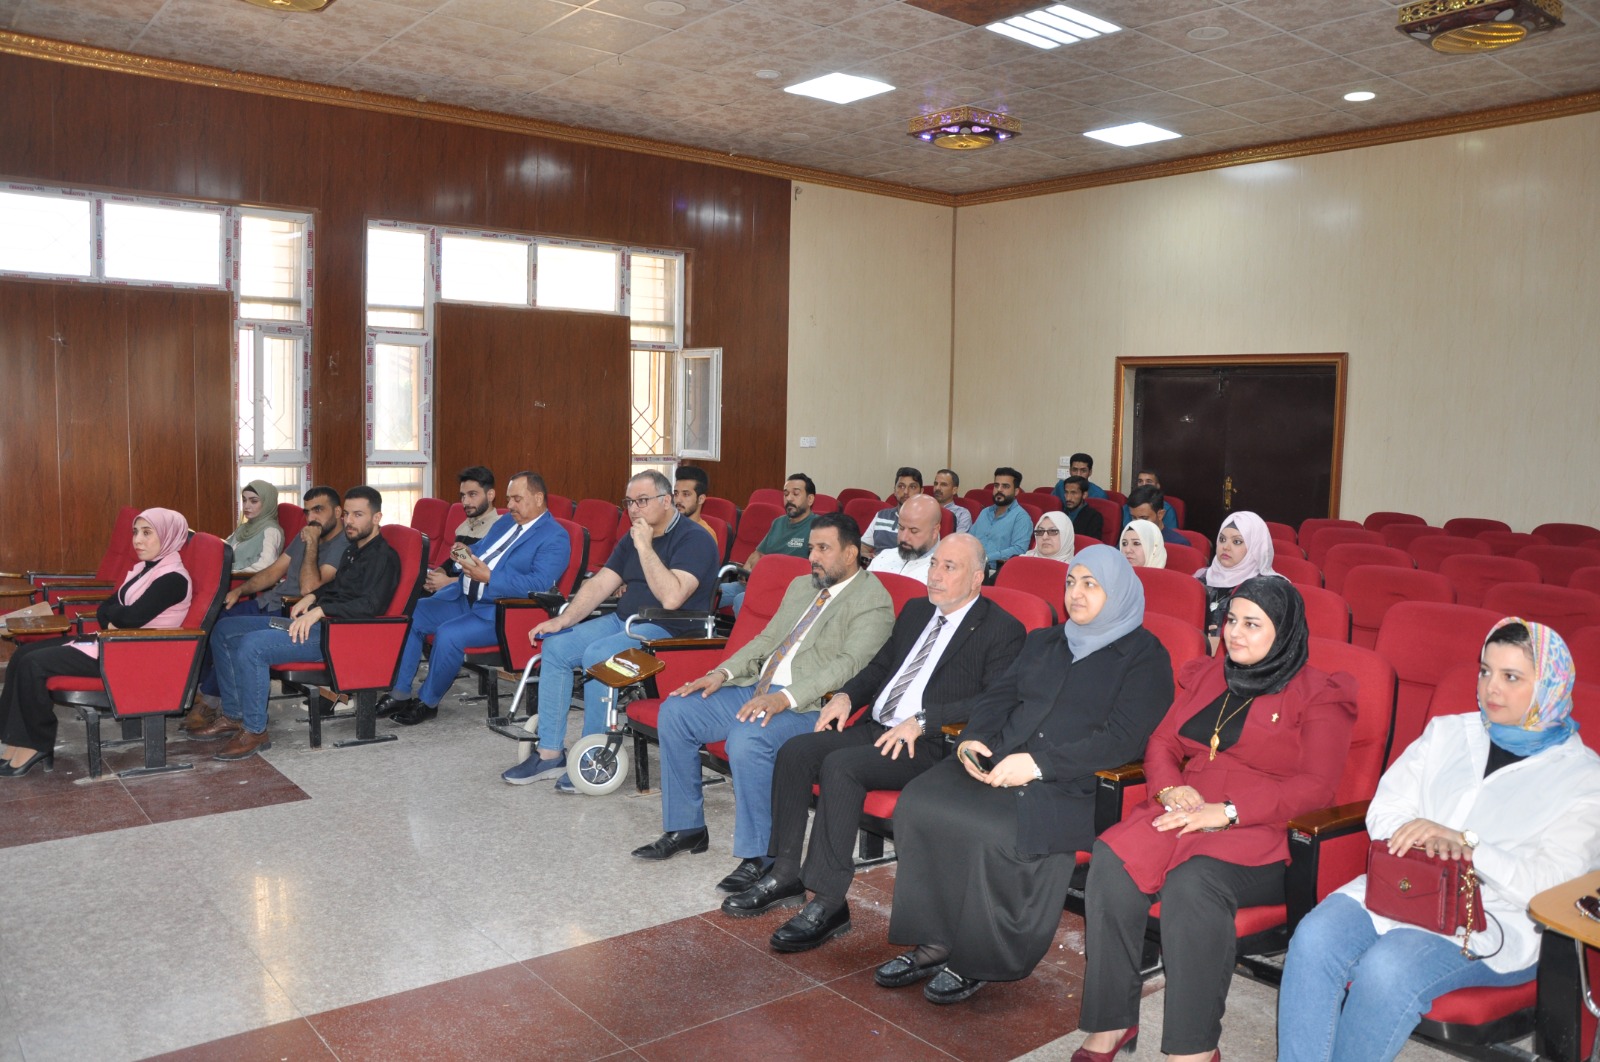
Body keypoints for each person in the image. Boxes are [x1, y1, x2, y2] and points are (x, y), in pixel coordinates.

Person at [1278, 618, 1600, 1062]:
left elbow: (1552, 885)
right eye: (1485, 671)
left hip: (1492, 920)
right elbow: (1385, 810)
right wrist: (1427, 842)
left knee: (1386, 970)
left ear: (1550, 688)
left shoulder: (1583, 777)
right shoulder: (1449, 732)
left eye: (1511, 677)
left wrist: (1468, 848)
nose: (1491, 688)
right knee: (1313, 939)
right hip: (1403, 888)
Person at [875, 545, 1174, 1005]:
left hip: (1074, 786)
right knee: (921, 801)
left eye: (1090, 585)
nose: (1076, 594)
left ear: (1117, 592)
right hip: (1003, 762)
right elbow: (998, 697)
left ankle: (979, 958)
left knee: (991, 829)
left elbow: (1123, 741)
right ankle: (934, 941)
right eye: (1071, 582)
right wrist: (974, 739)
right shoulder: (1046, 641)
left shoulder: (1145, 657)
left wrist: (1038, 766)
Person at [1076, 577, 1356, 1062]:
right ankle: (1111, 1021)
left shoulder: (1319, 694)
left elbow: (1316, 788)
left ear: (1285, 632)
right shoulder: (1211, 675)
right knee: (1112, 859)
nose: (1235, 633)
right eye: (1231, 621)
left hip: (1263, 829)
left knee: (1194, 884)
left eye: (1253, 624)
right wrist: (1169, 788)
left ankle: (1195, 1048)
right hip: (1186, 805)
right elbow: (1162, 742)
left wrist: (1226, 812)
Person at [724, 534, 1025, 954]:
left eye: (949, 567)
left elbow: (994, 700)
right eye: (934, 564)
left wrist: (924, 721)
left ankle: (829, 902)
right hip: (879, 726)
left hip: (930, 745)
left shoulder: (1002, 629)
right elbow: (882, 665)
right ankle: (786, 873)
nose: (935, 575)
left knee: (841, 767)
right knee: (796, 751)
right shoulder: (917, 611)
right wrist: (848, 696)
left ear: (977, 578)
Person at [632, 513, 894, 894]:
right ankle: (686, 827)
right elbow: (767, 639)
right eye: (811, 548)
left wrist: (783, 698)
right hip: (759, 687)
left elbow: (848, 665)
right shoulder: (803, 586)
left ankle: (762, 855)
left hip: (810, 705)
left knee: (748, 737)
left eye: (823, 549)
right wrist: (721, 674)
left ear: (852, 553)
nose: (812, 557)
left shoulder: (873, 600)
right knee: (678, 711)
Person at [512, 470, 720, 793]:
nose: (633, 509)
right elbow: (600, 584)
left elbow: (672, 598)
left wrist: (646, 547)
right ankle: (550, 752)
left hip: (670, 632)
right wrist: (563, 620)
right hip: (626, 621)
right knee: (555, 646)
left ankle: (594, 755)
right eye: (629, 502)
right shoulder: (632, 537)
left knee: (599, 655)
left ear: (667, 501)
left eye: (642, 501)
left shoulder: (696, 540)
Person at [193, 486, 401, 761]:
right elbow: (336, 587)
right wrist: (314, 597)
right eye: (348, 515)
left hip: (339, 636)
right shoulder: (354, 550)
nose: (349, 521)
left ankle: (255, 731)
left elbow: (372, 606)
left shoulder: (384, 556)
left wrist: (321, 609)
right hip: (317, 624)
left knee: (253, 646)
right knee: (224, 630)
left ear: (377, 518)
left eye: (358, 515)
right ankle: (234, 715)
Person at [0, 509, 194, 777]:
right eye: (135, 532)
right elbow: (106, 611)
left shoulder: (173, 579)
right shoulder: (145, 569)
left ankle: (35, 744)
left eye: (147, 533)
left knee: (33, 663)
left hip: (135, 656)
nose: (137, 540)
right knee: (23, 655)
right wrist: (116, 618)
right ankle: (14, 738)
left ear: (169, 536)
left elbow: (127, 618)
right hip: (115, 644)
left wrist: (117, 618)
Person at [379, 472, 571, 726]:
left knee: (448, 635)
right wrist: (464, 554)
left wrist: (490, 577)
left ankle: (427, 702)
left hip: (499, 613)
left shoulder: (555, 536)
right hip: (463, 596)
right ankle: (400, 692)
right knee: (412, 614)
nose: (510, 505)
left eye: (517, 499)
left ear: (538, 498)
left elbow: (538, 584)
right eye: (508, 499)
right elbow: (481, 551)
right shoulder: (505, 521)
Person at [184, 486, 347, 733]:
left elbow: (309, 588)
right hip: (270, 601)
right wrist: (240, 590)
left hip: (292, 611)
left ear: (337, 512)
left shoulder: (341, 544)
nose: (311, 517)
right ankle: (210, 696)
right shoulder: (305, 534)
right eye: (307, 512)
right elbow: (274, 571)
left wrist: (312, 543)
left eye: (318, 510)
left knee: (239, 639)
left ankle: (210, 699)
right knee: (217, 623)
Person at [721, 474, 818, 614]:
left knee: (741, 600)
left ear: (810, 499)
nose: (789, 498)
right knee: (713, 591)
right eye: (786, 494)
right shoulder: (778, 522)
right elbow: (759, 553)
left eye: (796, 494)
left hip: (787, 590)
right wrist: (746, 572)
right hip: (763, 582)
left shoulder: (819, 527)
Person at [1196, 511, 1276, 650]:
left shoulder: (1266, 590)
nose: (1225, 547)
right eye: (1222, 539)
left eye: (1236, 542)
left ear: (1254, 547)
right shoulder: (1200, 576)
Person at [424, 466, 498, 591]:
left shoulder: (499, 528)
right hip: (451, 588)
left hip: (469, 593)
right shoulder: (464, 526)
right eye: (463, 496)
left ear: (490, 495)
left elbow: (487, 575)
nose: (465, 502)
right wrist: (435, 576)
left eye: (472, 494)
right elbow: (455, 562)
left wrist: (448, 582)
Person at [866, 493, 940, 582]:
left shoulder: (941, 573)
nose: (903, 538)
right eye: (901, 528)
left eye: (913, 531)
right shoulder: (883, 557)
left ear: (935, 531)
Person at [971, 466, 1031, 567]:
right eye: (996, 485)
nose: (999, 490)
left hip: (995, 569)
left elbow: (1019, 550)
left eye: (1005, 486)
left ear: (1016, 491)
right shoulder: (985, 512)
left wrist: (986, 558)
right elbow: (970, 538)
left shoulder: (1021, 517)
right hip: (971, 565)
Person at [863, 467, 922, 558]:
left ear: (921, 492)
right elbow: (863, 547)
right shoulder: (881, 516)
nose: (906, 492)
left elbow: (929, 558)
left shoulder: (927, 521)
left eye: (912, 487)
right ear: (894, 490)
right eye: (901, 486)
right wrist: (865, 555)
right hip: (877, 564)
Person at [227, 480, 283, 575]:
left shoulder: (271, 531)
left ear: (267, 503)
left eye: (254, 501)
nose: (246, 506)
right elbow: (223, 549)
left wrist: (229, 569)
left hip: (246, 581)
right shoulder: (243, 528)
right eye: (244, 500)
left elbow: (265, 564)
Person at [672, 466, 714, 537]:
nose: (678, 500)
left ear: (700, 499)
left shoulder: (705, 534)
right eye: (676, 494)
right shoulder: (668, 527)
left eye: (686, 494)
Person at [1060, 476, 1104, 541]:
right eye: (1066, 492)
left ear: (1084, 495)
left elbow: (1092, 543)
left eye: (1073, 493)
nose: (1068, 498)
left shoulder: (1093, 517)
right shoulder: (1061, 513)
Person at [930, 468, 972, 534]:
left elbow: (958, 538)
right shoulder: (926, 509)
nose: (937, 488)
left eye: (943, 485)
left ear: (954, 490)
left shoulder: (962, 514)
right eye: (936, 484)